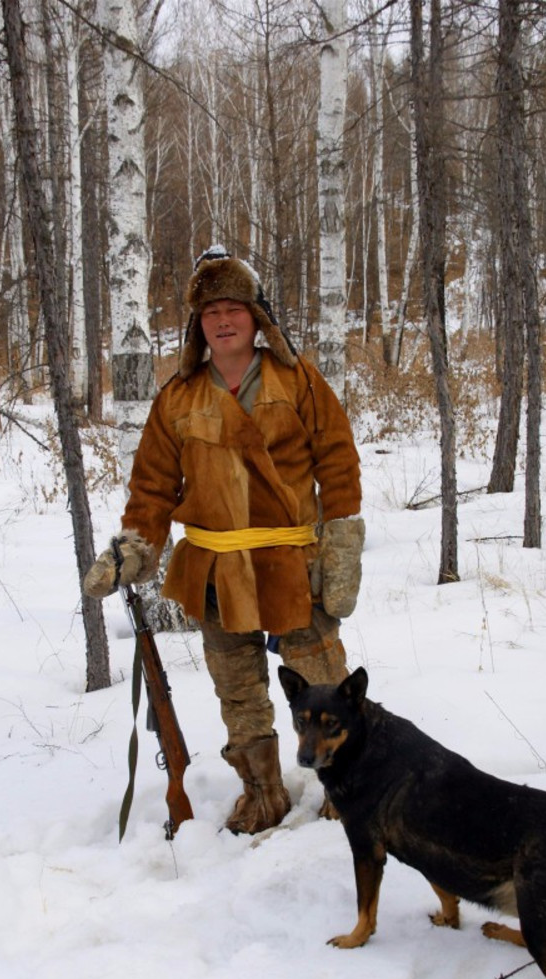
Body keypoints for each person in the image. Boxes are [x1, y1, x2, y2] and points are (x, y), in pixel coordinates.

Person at [84, 247, 364, 834]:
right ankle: (262, 792)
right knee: (237, 687)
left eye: (234, 307)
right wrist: (133, 547)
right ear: (198, 323)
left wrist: (341, 542)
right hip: (214, 566)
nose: (223, 320)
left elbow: (338, 460)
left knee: (321, 677)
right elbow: (154, 485)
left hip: (290, 557)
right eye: (211, 311)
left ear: (256, 316)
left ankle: (350, 785)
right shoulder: (178, 397)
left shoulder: (296, 379)